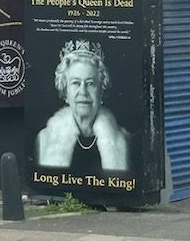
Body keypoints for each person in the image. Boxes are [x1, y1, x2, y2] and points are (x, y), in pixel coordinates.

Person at [35, 39, 129, 173]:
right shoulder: (44, 140)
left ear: (101, 90)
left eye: (90, 83)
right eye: (76, 83)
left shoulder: (124, 141)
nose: (83, 92)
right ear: (65, 91)